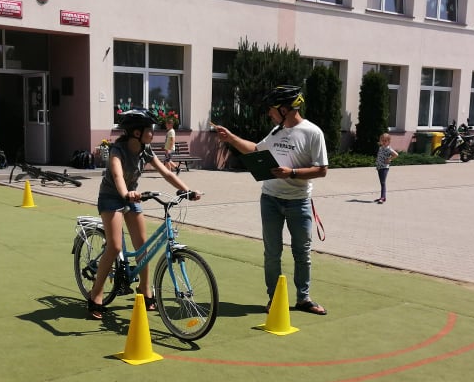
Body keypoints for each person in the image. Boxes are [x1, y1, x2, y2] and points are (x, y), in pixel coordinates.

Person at [212, 85, 329, 315]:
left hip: (299, 201)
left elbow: (321, 169)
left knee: (302, 252)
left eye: (272, 109)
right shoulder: (276, 131)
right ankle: (274, 298)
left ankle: (303, 299)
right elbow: (256, 150)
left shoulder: (313, 133)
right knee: (272, 253)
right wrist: (231, 138)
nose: (269, 113)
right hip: (270, 200)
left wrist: (291, 173)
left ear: (285, 109)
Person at [87, 109, 201, 319]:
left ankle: (145, 289)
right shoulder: (117, 151)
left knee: (143, 247)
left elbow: (166, 172)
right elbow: (117, 175)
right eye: (149, 129)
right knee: (115, 246)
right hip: (111, 197)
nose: (153, 133)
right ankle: (96, 293)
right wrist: (126, 194)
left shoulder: (145, 150)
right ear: (136, 132)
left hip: (132, 197)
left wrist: (187, 190)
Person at [375, 132, 398, 204]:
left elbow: (396, 154)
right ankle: (383, 197)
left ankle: (382, 197)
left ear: (389, 141)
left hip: (384, 167)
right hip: (379, 167)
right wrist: (377, 166)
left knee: (383, 183)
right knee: (382, 183)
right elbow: (379, 157)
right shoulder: (381, 148)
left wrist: (389, 159)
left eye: (385, 141)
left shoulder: (389, 149)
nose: (384, 142)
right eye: (382, 140)